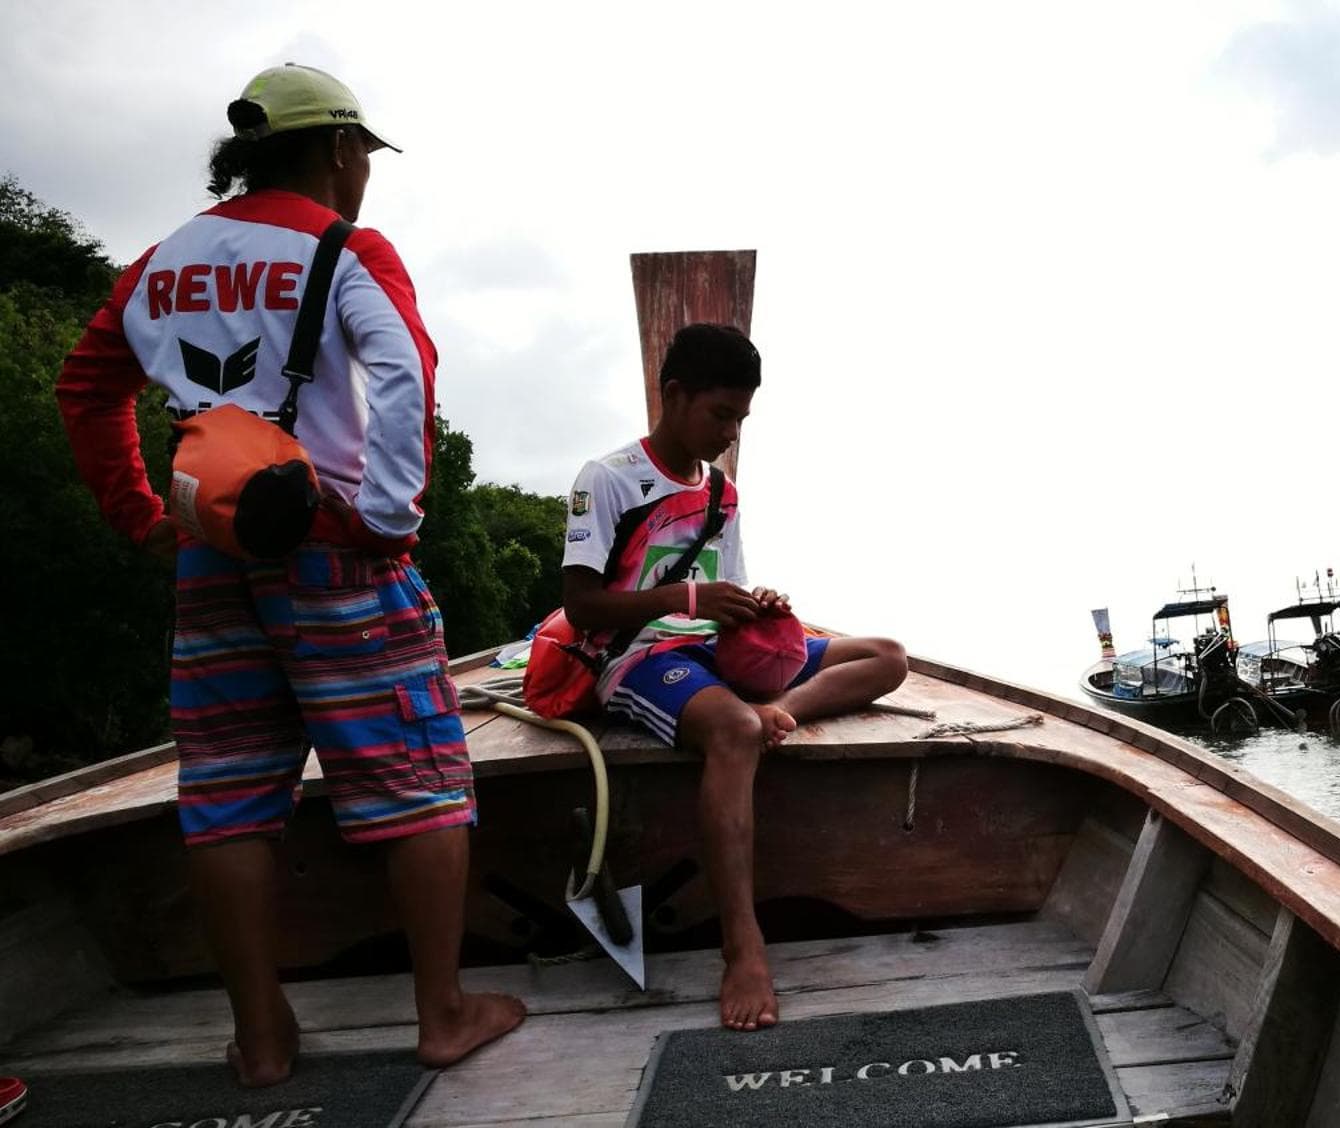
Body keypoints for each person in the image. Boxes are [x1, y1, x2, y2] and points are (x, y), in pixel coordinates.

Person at [55, 63, 522, 1086]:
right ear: (342, 149)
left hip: (212, 558)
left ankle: (262, 1038)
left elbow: (84, 391)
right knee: (418, 775)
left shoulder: (156, 264)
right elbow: (402, 370)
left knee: (225, 792)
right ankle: (443, 1014)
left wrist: (143, 518)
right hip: (338, 551)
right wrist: (388, 518)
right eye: (364, 157)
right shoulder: (347, 248)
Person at [560, 323, 908, 1031]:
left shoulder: (722, 492)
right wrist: (687, 599)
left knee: (888, 656)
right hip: (638, 657)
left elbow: (729, 590)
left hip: (715, 650)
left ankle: (786, 707)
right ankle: (742, 946)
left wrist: (758, 607)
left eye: (741, 419)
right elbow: (581, 606)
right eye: (721, 415)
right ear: (674, 394)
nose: (730, 434)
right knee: (735, 730)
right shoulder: (608, 479)